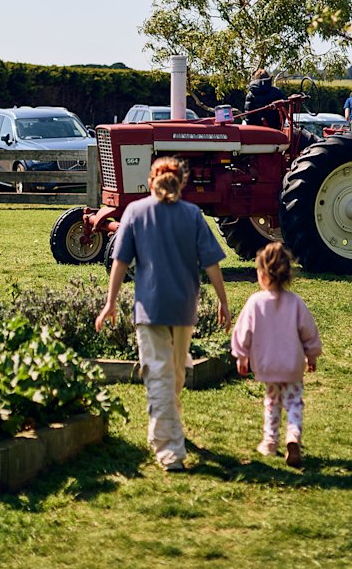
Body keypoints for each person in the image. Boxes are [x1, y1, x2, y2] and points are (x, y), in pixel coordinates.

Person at [95, 156, 231, 472]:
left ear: (150, 180)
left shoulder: (135, 212)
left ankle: (167, 440)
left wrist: (110, 302)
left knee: (164, 374)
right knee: (171, 373)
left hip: (150, 307)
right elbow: (211, 263)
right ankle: (169, 443)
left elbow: (120, 262)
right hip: (184, 307)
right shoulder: (192, 214)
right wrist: (223, 301)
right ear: (182, 181)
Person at [231, 242, 322, 467]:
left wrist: (242, 357)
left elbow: (243, 333)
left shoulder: (255, 303)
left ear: (262, 275)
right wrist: (311, 356)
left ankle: (270, 441)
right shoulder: (296, 303)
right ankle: (293, 437)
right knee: (293, 402)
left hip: (267, 365)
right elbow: (308, 332)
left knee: (272, 401)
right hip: (291, 366)